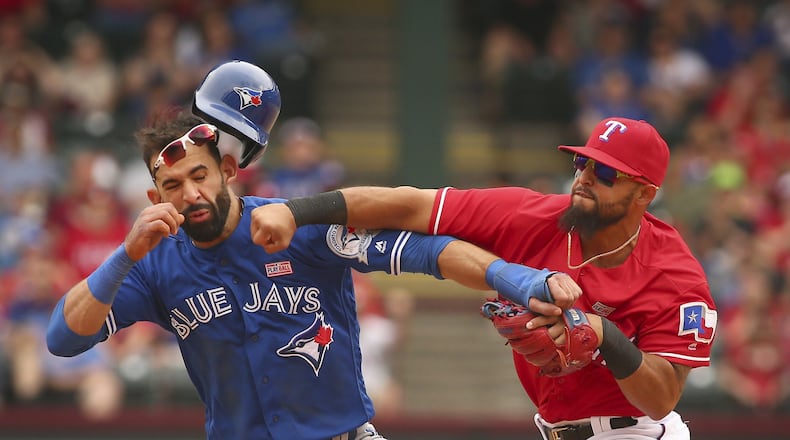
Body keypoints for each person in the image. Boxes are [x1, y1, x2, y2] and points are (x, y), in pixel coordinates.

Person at [46, 60, 583, 440]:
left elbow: (428, 252)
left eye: (200, 175)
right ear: (153, 196)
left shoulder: (292, 226)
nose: (190, 194)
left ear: (229, 171)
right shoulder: (152, 265)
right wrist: (125, 254)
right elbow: (64, 338)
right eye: (171, 186)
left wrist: (523, 280)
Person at [250, 117, 718, 440]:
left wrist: (604, 336)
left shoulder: (674, 275)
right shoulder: (532, 215)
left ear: (644, 193)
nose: (585, 177)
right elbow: (411, 204)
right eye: (582, 163)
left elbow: (661, 398)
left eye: (607, 171)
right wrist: (296, 211)